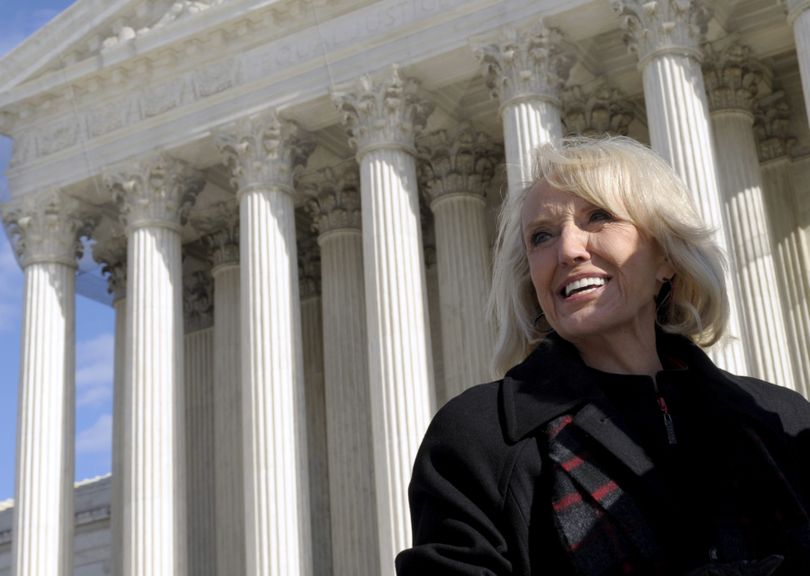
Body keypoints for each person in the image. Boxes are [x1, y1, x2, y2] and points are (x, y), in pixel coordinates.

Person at [395, 136, 810, 575]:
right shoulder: (481, 438)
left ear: (666, 257)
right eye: (541, 236)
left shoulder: (783, 420)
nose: (568, 250)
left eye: (599, 216)